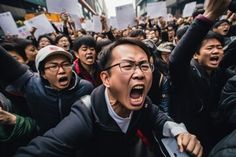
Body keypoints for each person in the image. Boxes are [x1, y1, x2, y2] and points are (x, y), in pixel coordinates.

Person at [14, 38, 203, 157]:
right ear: (105, 78)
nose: (139, 74)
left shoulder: (142, 103)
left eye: (144, 65)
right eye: (127, 66)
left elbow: (158, 118)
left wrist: (180, 132)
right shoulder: (86, 115)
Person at [168, 0, 234, 155]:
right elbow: (176, 60)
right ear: (196, 55)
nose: (216, 51)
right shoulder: (186, 74)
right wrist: (207, 17)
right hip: (189, 144)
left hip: (214, 140)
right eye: (210, 48)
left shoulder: (222, 74)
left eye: (219, 48)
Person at [0, 45, 93, 134]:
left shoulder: (85, 87)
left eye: (66, 64)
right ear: (43, 73)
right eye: (53, 66)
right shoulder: (31, 86)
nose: (61, 71)